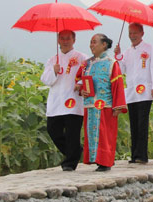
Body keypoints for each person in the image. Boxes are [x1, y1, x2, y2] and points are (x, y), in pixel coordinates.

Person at [76, 34, 127, 172]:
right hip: (90, 104)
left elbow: (118, 85)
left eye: (94, 42)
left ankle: (105, 162)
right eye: (90, 42)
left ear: (104, 45)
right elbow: (79, 81)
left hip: (105, 105)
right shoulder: (86, 64)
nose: (91, 45)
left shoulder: (111, 63)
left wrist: (118, 106)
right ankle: (96, 160)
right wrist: (81, 90)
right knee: (92, 133)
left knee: (105, 134)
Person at [113, 23, 153, 164]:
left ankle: (142, 155)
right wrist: (118, 55)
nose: (132, 36)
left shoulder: (150, 48)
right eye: (130, 33)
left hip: (146, 90)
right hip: (132, 92)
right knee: (133, 122)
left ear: (142, 33)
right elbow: (121, 70)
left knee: (142, 122)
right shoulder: (127, 52)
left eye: (135, 33)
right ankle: (134, 154)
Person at [40, 30, 87, 171]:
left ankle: (70, 163)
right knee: (53, 130)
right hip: (57, 101)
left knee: (72, 133)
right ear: (58, 40)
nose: (65, 41)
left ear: (74, 40)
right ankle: (75, 151)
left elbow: (89, 76)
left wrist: (82, 84)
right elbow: (45, 80)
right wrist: (53, 71)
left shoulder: (82, 58)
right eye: (62, 38)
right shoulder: (53, 59)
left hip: (73, 100)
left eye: (68, 38)